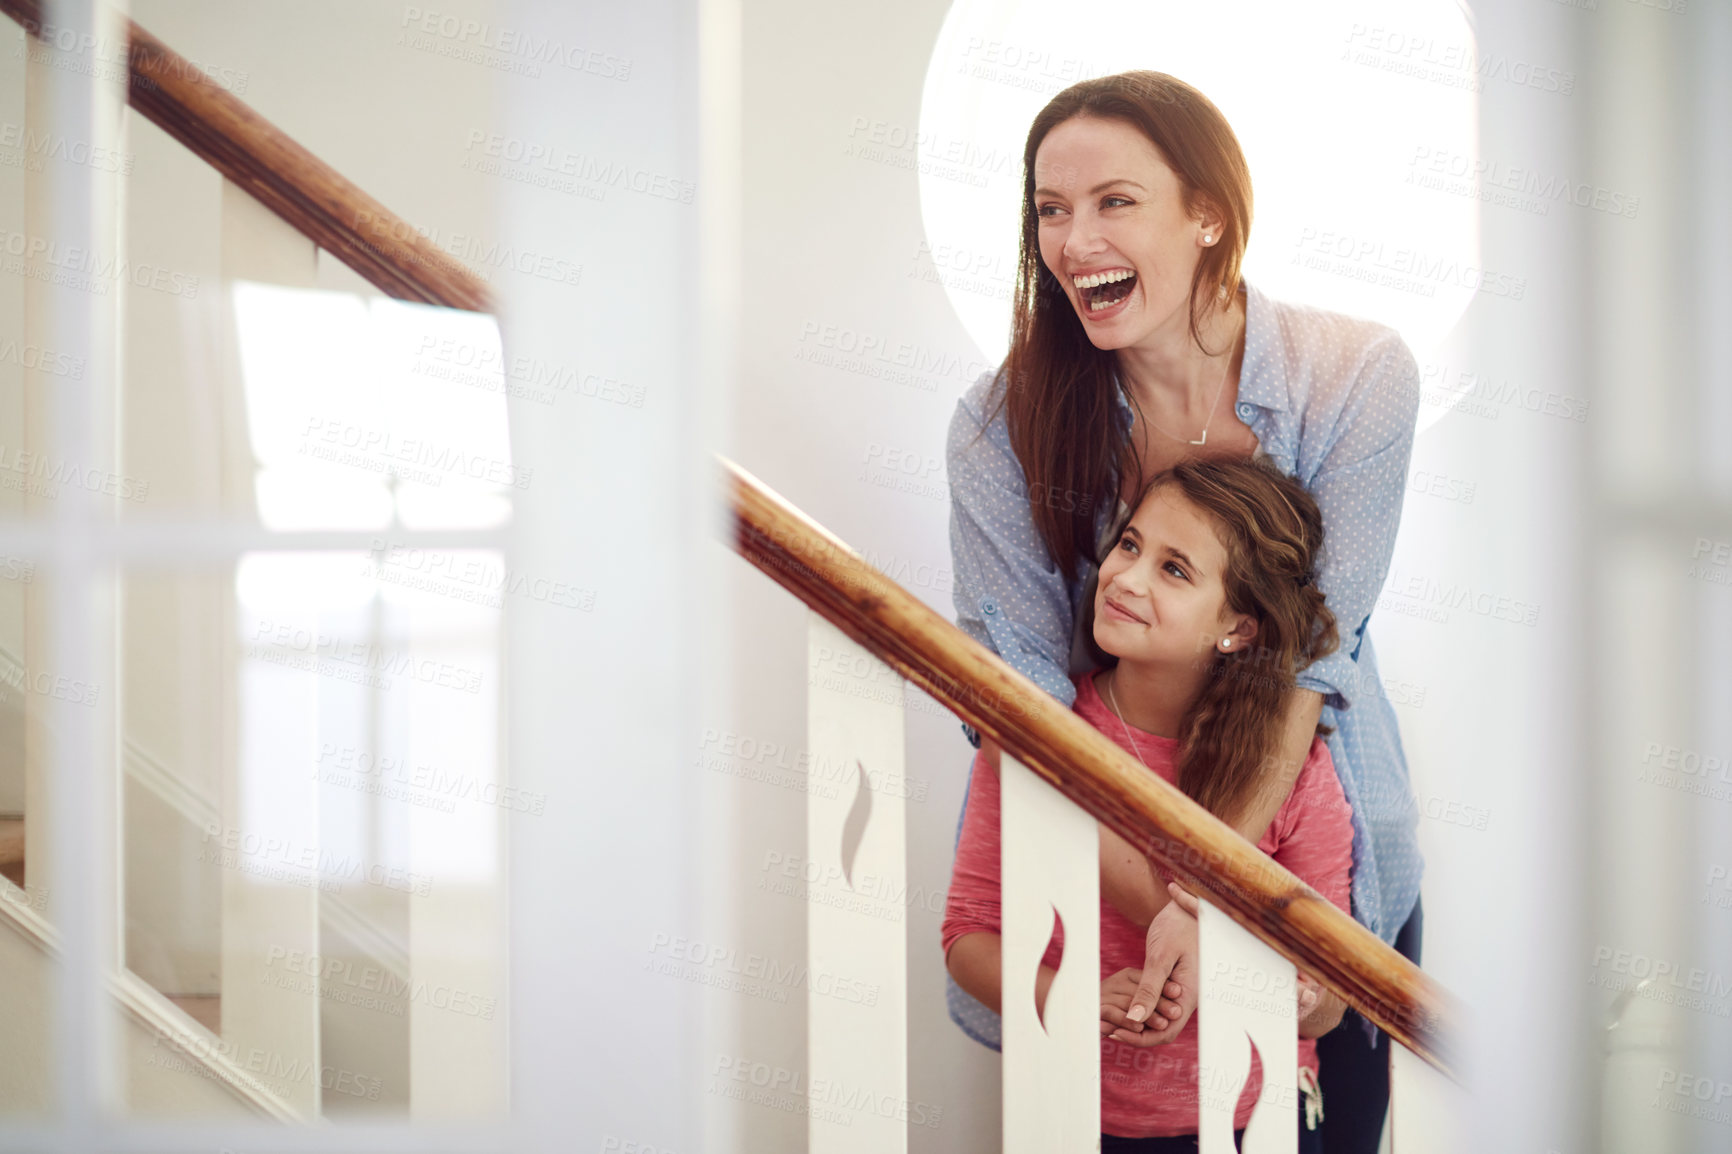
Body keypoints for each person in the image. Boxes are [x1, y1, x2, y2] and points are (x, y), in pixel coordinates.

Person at [944, 70, 1423, 1152]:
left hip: (1309, 868)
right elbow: (1017, 711)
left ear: (1209, 211)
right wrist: (1176, 907)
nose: (1072, 240)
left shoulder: (1354, 376)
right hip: (1101, 889)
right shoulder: (994, 428)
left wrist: (1217, 901)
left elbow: (1305, 666)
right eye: (1049, 210)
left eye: (1115, 200)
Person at [943, 456, 1353, 1152]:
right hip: (1073, 1121)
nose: (1125, 577)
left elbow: (1332, 1009)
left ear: (1238, 629)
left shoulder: (1296, 772)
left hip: (1257, 1126)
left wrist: (1297, 996)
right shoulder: (1038, 741)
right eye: (1130, 545)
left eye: (1174, 569)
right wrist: (1069, 997)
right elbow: (967, 938)